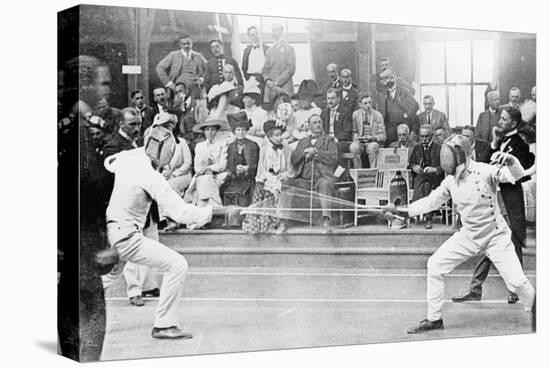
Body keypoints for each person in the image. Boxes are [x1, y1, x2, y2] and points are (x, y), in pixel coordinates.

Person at [385, 134, 535, 334]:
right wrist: (401, 210)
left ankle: (537, 310)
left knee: (517, 282)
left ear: (461, 155)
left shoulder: (485, 171)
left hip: (495, 236)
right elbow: (430, 202)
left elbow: (517, 175)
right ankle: (434, 318)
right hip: (469, 235)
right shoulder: (450, 181)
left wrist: (511, 161)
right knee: (435, 265)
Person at [104, 126, 232, 339]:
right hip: (127, 236)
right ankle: (164, 324)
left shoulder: (128, 157)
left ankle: (72, 309)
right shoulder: (151, 177)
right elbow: (181, 213)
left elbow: (108, 163)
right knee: (177, 264)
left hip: (111, 230)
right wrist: (217, 212)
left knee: (108, 276)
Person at [452, 107, 534, 304]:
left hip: (508, 201)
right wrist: (495, 143)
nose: (500, 122)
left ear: (513, 124)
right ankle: (476, 289)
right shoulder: (500, 142)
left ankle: (514, 289)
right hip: (492, 199)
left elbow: (518, 173)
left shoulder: (520, 145)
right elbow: (484, 164)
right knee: (490, 243)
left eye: (504, 119)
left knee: (512, 244)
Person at [101, 108, 161, 307]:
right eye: (132, 124)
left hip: (146, 204)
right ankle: (133, 291)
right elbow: (115, 179)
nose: (137, 128)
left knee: (152, 243)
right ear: (121, 124)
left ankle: (149, 286)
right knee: (129, 253)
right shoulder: (113, 146)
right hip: (127, 208)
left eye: (138, 124)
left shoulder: (140, 144)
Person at [277, 114, 338, 234]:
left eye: (319, 122)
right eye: (314, 123)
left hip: (322, 177)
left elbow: (333, 157)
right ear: (309, 126)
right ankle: (283, 221)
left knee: (325, 185)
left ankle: (326, 221)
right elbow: (294, 159)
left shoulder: (329, 140)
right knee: (287, 184)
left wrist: (316, 152)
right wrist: (305, 152)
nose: (318, 125)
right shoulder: (303, 141)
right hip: (304, 179)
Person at [242, 120, 293, 234]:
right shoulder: (265, 149)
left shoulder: (287, 149)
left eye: (281, 135)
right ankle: (260, 224)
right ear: (269, 137)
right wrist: (263, 178)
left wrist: (284, 175)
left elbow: (291, 167)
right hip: (267, 178)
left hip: (281, 178)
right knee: (261, 192)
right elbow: (262, 167)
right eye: (277, 135)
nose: (280, 138)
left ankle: (276, 223)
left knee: (276, 191)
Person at [222, 112, 260, 222]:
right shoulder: (231, 146)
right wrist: (236, 170)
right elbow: (229, 165)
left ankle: (243, 221)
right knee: (228, 192)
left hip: (249, 179)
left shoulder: (253, 145)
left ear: (246, 131)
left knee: (244, 194)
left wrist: (247, 168)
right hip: (235, 179)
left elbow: (257, 165)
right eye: (238, 130)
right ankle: (231, 222)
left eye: (243, 129)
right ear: (234, 131)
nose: (241, 132)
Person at [184, 116, 230, 207]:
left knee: (206, 181)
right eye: (207, 130)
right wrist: (205, 171)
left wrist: (209, 168)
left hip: (219, 174)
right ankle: (208, 208)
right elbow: (197, 167)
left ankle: (207, 208)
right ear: (204, 131)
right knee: (204, 180)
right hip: (203, 174)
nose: (210, 133)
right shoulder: (200, 146)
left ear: (216, 131)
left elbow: (223, 164)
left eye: (213, 130)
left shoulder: (223, 144)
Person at [409, 125, 444, 229]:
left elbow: (445, 167)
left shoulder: (439, 148)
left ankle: (413, 210)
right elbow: (411, 163)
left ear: (432, 136)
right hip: (425, 182)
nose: (424, 139)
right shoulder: (417, 148)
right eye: (422, 136)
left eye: (427, 136)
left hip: (436, 179)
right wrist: (414, 167)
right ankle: (428, 219)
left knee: (420, 177)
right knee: (426, 186)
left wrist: (435, 169)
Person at [156, 34, 207, 99]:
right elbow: (160, 68)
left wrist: (202, 79)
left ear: (192, 44)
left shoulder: (198, 56)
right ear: (180, 45)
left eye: (188, 43)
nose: (186, 46)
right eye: (184, 44)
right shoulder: (173, 55)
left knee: (195, 106)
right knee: (180, 106)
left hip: (195, 86)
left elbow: (208, 68)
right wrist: (169, 83)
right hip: (179, 86)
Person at [379, 69, 419, 145]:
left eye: (391, 78)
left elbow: (415, 105)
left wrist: (407, 114)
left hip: (404, 128)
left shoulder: (404, 91)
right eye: (386, 78)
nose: (389, 80)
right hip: (391, 130)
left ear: (395, 78)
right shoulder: (384, 94)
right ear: (384, 81)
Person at [262, 24, 296, 109]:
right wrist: (268, 80)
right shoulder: (269, 50)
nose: (274, 33)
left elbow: (291, 68)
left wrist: (278, 82)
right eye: (272, 30)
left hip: (284, 86)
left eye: (276, 30)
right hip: (271, 88)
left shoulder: (289, 48)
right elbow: (265, 69)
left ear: (281, 32)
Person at [349, 93, 386, 168]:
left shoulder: (378, 115)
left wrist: (373, 138)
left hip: (372, 142)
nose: (368, 105)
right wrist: (355, 135)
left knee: (373, 146)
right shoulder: (355, 115)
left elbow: (383, 136)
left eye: (369, 102)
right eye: (365, 103)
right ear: (360, 104)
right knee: (353, 147)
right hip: (360, 142)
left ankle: (374, 173)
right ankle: (358, 173)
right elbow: (354, 131)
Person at [320, 88, 353, 166]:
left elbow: (347, 131)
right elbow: (322, 129)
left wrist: (335, 138)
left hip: (341, 141)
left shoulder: (345, 111)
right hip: (327, 140)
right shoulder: (324, 113)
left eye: (332, 98)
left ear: (338, 99)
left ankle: (339, 173)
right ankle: (323, 172)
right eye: (328, 98)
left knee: (336, 148)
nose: (330, 101)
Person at [241, 25, 269, 95]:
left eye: (257, 34)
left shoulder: (267, 49)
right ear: (250, 37)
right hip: (251, 79)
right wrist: (249, 78)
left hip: (264, 79)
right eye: (253, 35)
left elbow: (271, 66)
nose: (255, 36)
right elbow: (244, 67)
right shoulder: (246, 50)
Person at [241, 78, 269, 146]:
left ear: (253, 100)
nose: (243, 100)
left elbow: (266, 132)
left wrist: (255, 133)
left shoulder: (262, 112)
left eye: (246, 98)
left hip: (257, 141)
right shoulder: (241, 112)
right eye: (244, 98)